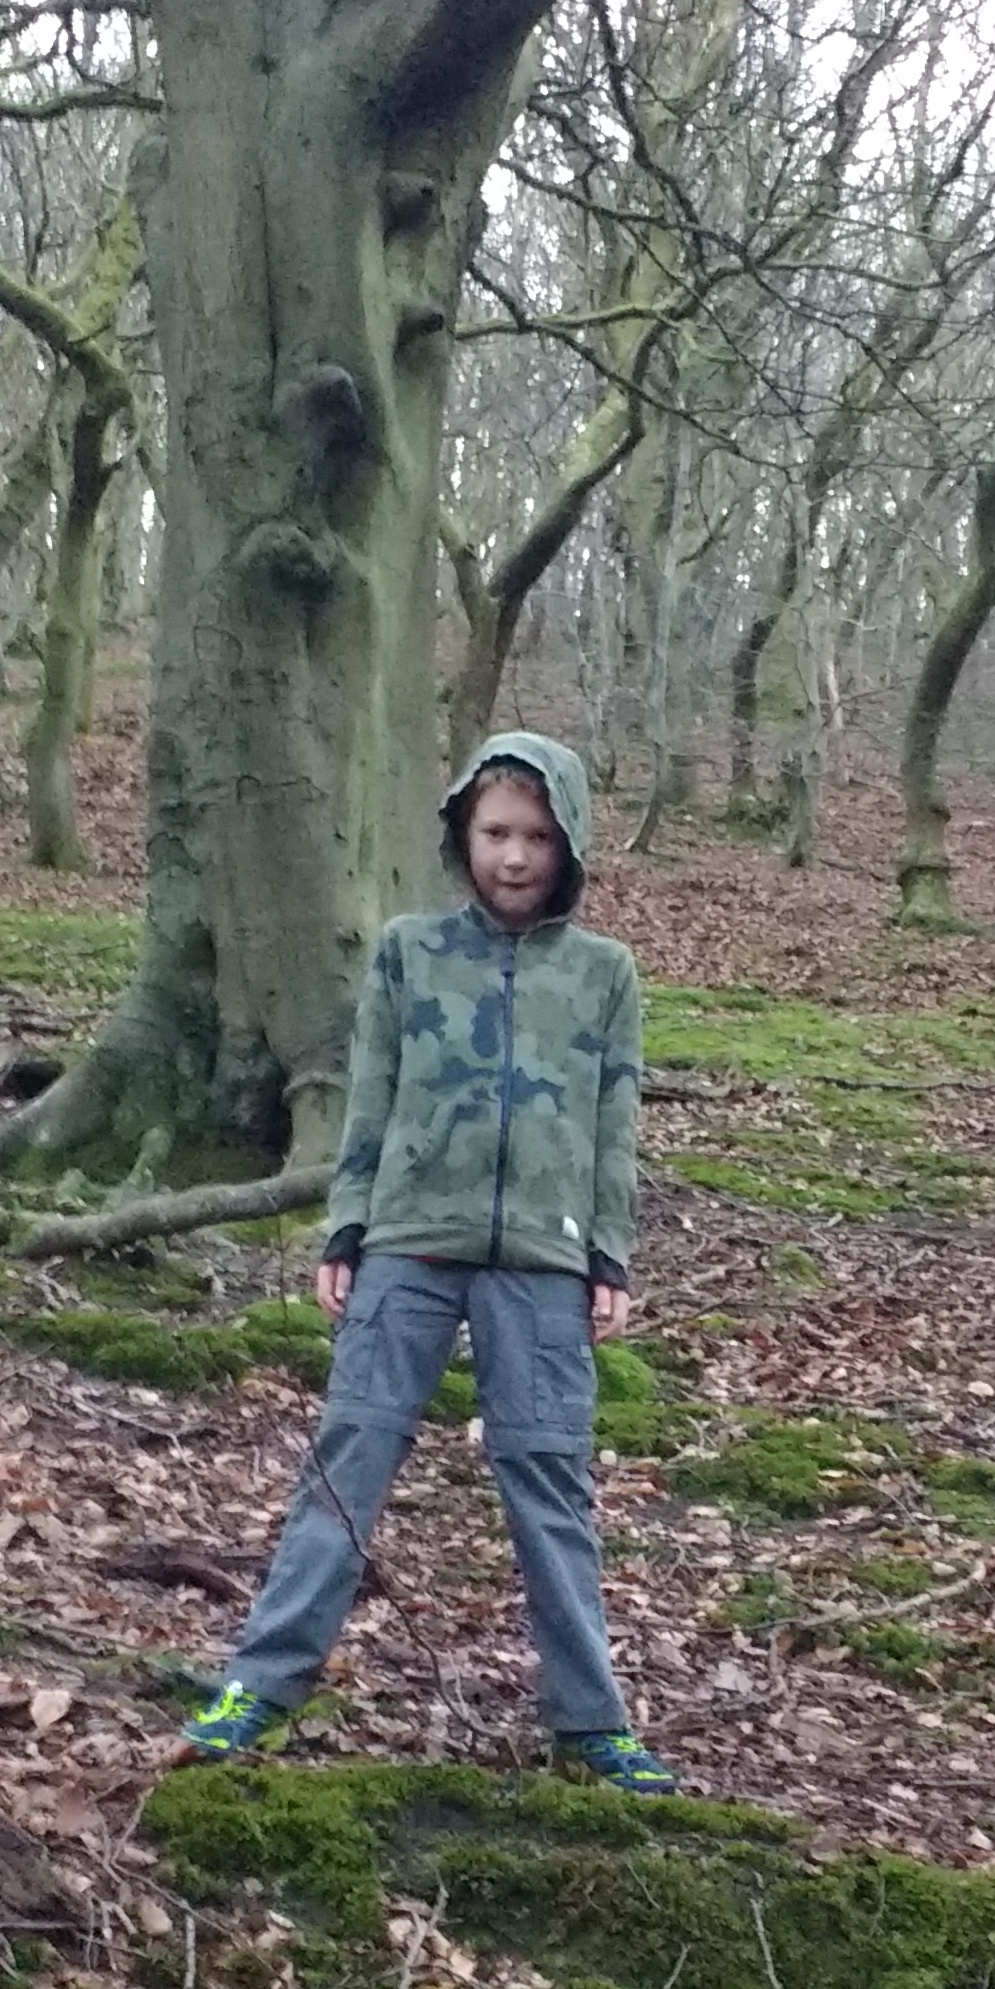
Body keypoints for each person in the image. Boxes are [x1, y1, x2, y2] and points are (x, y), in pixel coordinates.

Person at [180, 732, 680, 1793]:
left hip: (544, 1261)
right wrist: (347, 1228)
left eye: (537, 835)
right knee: (348, 1459)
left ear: (569, 842)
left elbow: (614, 1124)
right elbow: (369, 1096)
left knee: (550, 1480)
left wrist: (610, 1256)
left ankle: (591, 1721)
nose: (515, 855)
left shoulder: (605, 974)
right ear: (464, 835)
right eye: (496, 832)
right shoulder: (410, 952)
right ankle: (260, 1685)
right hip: (406, 1245)